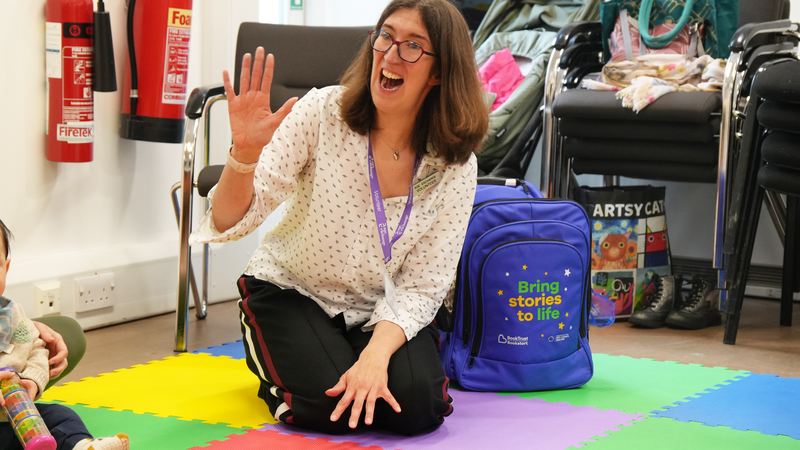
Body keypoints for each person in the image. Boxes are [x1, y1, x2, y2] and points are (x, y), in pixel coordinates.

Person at [190, 0, 488, 436]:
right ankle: (286, 363)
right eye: (385, 36)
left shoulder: (455, 164)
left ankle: (351, 352)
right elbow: (234, 218)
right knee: (327, 407)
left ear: (440, 72)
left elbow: (425, 283)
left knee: (420, 407)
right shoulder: (321, 113)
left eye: (412, 47)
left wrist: (374, 357)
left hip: (381, 307)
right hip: (292, 290)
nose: (389, 54)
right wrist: (243, 157)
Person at [0, 219, 130, 450]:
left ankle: (80, 446)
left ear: (6, 268)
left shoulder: (13, 315)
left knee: (61, 416)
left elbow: (35, 349)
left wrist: (31, 379)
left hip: (14, 415)